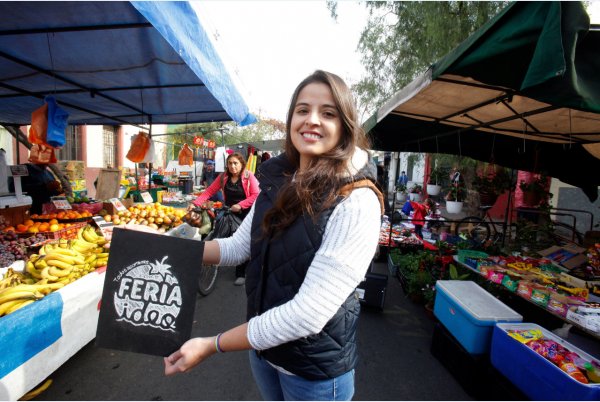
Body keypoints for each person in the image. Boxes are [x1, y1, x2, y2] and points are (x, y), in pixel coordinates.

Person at [164, 70, 383, 400]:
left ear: (345, 126)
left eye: (327, 113)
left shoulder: (357, 201)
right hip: (265, 354)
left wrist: (213, 344)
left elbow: (307, 315)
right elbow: (238, 247)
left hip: (314, 373)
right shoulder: (279, 180)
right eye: (302, 110)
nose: (312, 120)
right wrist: (158, 249)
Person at [191, 152, 259, 285]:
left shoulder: (248, 176)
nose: (233, 166)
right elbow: (209, 191)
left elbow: (256, 195)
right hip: (229, 211)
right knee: (220, 233)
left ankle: (241, 273)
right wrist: (196, 203)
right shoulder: (223, 177)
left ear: (241, 164)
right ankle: (219, 258)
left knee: (242, 241)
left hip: (246, 213)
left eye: (236, 163)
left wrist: (241, 205)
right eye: (230, 163)